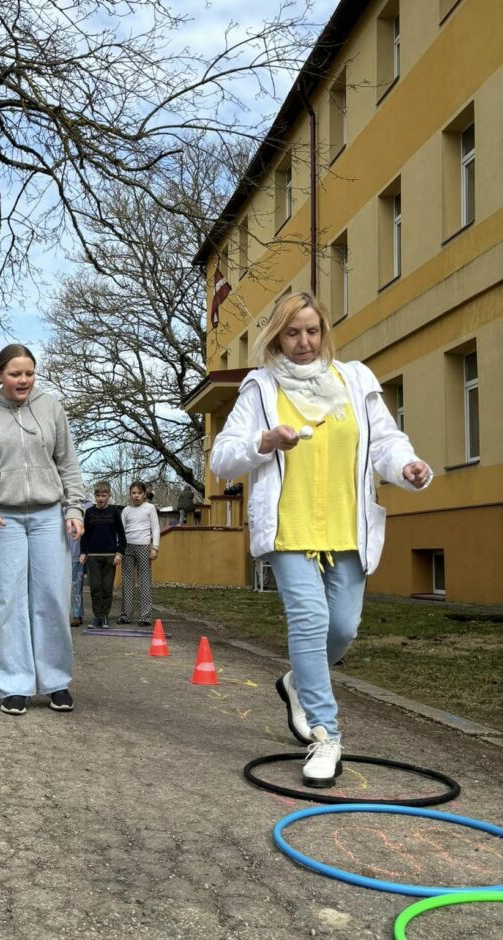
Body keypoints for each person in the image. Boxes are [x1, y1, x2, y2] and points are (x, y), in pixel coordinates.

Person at [210, 291, 431, 789]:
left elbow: (385, 443)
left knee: (344, 629)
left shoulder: (354, 379)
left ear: (324, 331)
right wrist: (264, 442)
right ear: (277, 336)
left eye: (312, 331)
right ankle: (325, 736)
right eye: (293, 333)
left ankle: (296, 683)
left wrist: (407, 466)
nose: (304, 342)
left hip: (346, 527)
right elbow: (222, 458)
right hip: (289, 527)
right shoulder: (260, 388)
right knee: (310, 621)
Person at [0, 343, 85, 716]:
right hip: (3, 518)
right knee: (9, 601)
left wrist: (74, 508)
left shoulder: (51, 407)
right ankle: (14, 684)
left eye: (29, 373)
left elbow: (68, 464)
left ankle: (56, 681)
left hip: (49, 516)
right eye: (15, 374)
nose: (23, 380)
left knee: (52, 598)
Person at [79, 481, 126, 628]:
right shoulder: (90, 513)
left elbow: (121, 534)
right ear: (94, 496)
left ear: (109, 495)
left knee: (106, 588)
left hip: (110, 556)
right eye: (98, 495)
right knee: (95, 587)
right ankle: (97, 616)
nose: (100, 498)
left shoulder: (114, 512)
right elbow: (85, 535)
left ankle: (104, 616)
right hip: (93, 556)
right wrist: (83, 552)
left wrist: (120, 552)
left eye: (104, 495)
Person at [119, 481, 160, 626]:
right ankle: (126, 615)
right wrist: (120, 549)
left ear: (144, 494)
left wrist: (155, 547)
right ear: (130, 494)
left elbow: (155, 528)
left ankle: (145, 617)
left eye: (139, 493)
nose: (136, 496)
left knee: (144, 582)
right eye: (133, 493)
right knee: (127, 582)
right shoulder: (125, 511)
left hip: (143, 547)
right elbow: (121, 531)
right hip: (127, 548)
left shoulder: (150, 508)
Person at [67, 495, 93, 626]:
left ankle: (77, 615)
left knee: (76, 587)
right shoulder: (58, 506)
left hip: (79, 554)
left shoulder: (88, 507)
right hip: (59, 554)